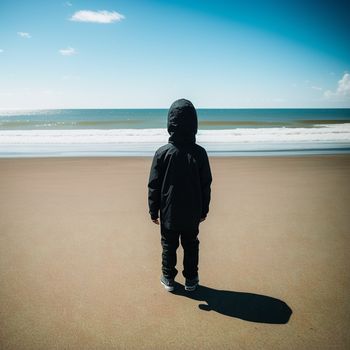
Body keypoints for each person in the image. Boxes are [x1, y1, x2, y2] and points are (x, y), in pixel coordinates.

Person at [148, 99, 212, 292]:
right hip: (193, 211)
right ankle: (191, 279)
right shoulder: (200, 153)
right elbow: (206, 185)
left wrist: (153, 210)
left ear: (170, 123)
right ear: (194, 124)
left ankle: (168, 277)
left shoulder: (162, 153)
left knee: (169, 244)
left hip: (169, 211)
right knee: (191, 244)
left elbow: (154, 185)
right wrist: (204, 210)